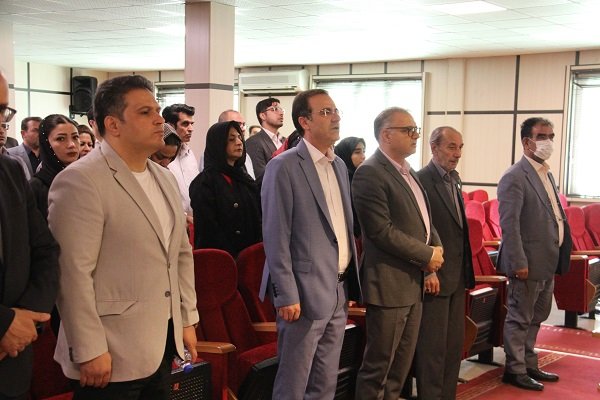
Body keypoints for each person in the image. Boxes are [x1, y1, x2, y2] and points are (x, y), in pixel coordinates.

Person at [48, 74, 199, 399]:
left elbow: (180, 255)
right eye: (145, 112)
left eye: (157, 110)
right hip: (110, 348)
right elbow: (72, 273)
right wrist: (88, 348)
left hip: (161, 341)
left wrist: (187, 319)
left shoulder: (163, 177)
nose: (159, 120)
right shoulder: (81, 180)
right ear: (113, 124)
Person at [259, 89, 361, 399]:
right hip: (302, 294)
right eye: (326, 112)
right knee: (293, 383)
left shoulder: (338, 165)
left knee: (325, 381)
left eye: (336, 111)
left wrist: (348, 284)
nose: (336, 117)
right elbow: (276, 235)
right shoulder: (284, 166)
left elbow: (341, 229)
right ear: (304, 122)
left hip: (337, 289)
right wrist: (286, 293)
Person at [352, 107, 444, 399]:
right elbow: (381, 231)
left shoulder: (407, 171)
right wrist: (426, 254)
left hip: (411, 281)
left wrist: (436, 246)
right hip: (389, 283)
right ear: (386, 135)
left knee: (400, 368)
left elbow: (423, 218)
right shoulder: (370, 172)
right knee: (379, 366)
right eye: (408, 130)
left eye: (416, 130)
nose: (415, 135)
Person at [498, 117, 572, 391]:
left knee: (537, 316)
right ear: (526, 141)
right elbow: (510, 225)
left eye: (551, 136)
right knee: (520, 317)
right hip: (526, 262)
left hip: (547, 259)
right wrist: (518, 261)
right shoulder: (515, 176)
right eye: (542, 136)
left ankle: (529, 363)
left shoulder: (546, 173)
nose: (548, 142)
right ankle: (514, 369)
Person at [0, 69, 59, 400]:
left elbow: (45, 251)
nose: (1, 122)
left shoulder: (9, 170)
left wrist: (25, 321)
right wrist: (4, 323)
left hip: (13, 360)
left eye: (4, 110)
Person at [414, 126, 476, 400]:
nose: (457, 153)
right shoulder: (421, 181)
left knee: (453, 347)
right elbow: (420, 230)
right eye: (451, 147)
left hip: (457, 276)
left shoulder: (454, 180)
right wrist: (428, 271)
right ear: (434, 147)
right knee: (432, 349)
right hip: (435, 276)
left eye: (460, 147)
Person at [189, 121, 261, 257]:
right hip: (220, 259)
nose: (239, 143)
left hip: (250, 258)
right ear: (218, 144)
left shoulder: (245, 179)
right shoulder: (205, 182)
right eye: (231, 139)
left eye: (240, 137)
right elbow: (208, 229)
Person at [29, 114, 80, 221]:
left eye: (75, 137)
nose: (71, 144)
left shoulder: (85, 179)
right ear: (46, 144)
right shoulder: (36, 187)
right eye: (61, 138)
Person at [163, 103, 198, 221]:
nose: (191, 129)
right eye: (185, 124)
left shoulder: (189, 154)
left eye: (192, 124)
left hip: (193, 222)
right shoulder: (159, 157)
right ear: (170, 125)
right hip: (172, 220)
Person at [245, 97, 285, 183]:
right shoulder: (254, 142)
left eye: (281, 110)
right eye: (274, 109)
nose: (281, 113)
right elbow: (260, 176)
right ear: (263, 116)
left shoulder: (284, 141)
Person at [334, 136, 366, 237]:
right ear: (345, 154)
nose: (363, 156)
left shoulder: (361, 178)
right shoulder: (339, 180)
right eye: (357, 152)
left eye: (364, 151)